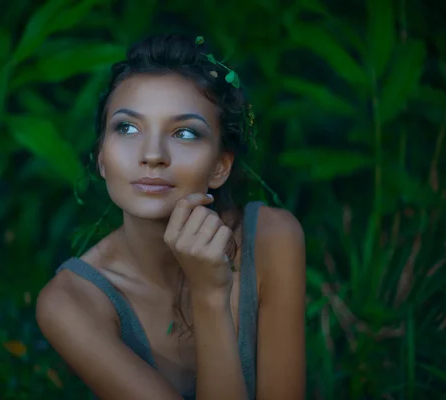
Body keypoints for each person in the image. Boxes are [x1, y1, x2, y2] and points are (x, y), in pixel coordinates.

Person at [36, 34, 306, 400]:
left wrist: (210, 290)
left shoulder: (273, 238)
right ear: (101, 157)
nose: (152, 155)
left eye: (184, 133)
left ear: (219, 167)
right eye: (128, 128)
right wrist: (209, 295)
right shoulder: (70, 302)